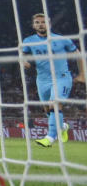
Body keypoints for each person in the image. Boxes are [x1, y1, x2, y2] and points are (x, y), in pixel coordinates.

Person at [22, 13, 86, 147]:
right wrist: (24, 62)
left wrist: (82, 74)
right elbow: (22, 56)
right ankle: (62, 126)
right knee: (47, 109)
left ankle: (50, 138)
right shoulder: (28, 41)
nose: (41, 24)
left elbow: (79, 55)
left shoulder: (62, 40)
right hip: (42, 80)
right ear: (34, 26)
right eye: (38, 22)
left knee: (54, 103)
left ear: (49, 24)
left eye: (43, 22)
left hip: (62, 77)